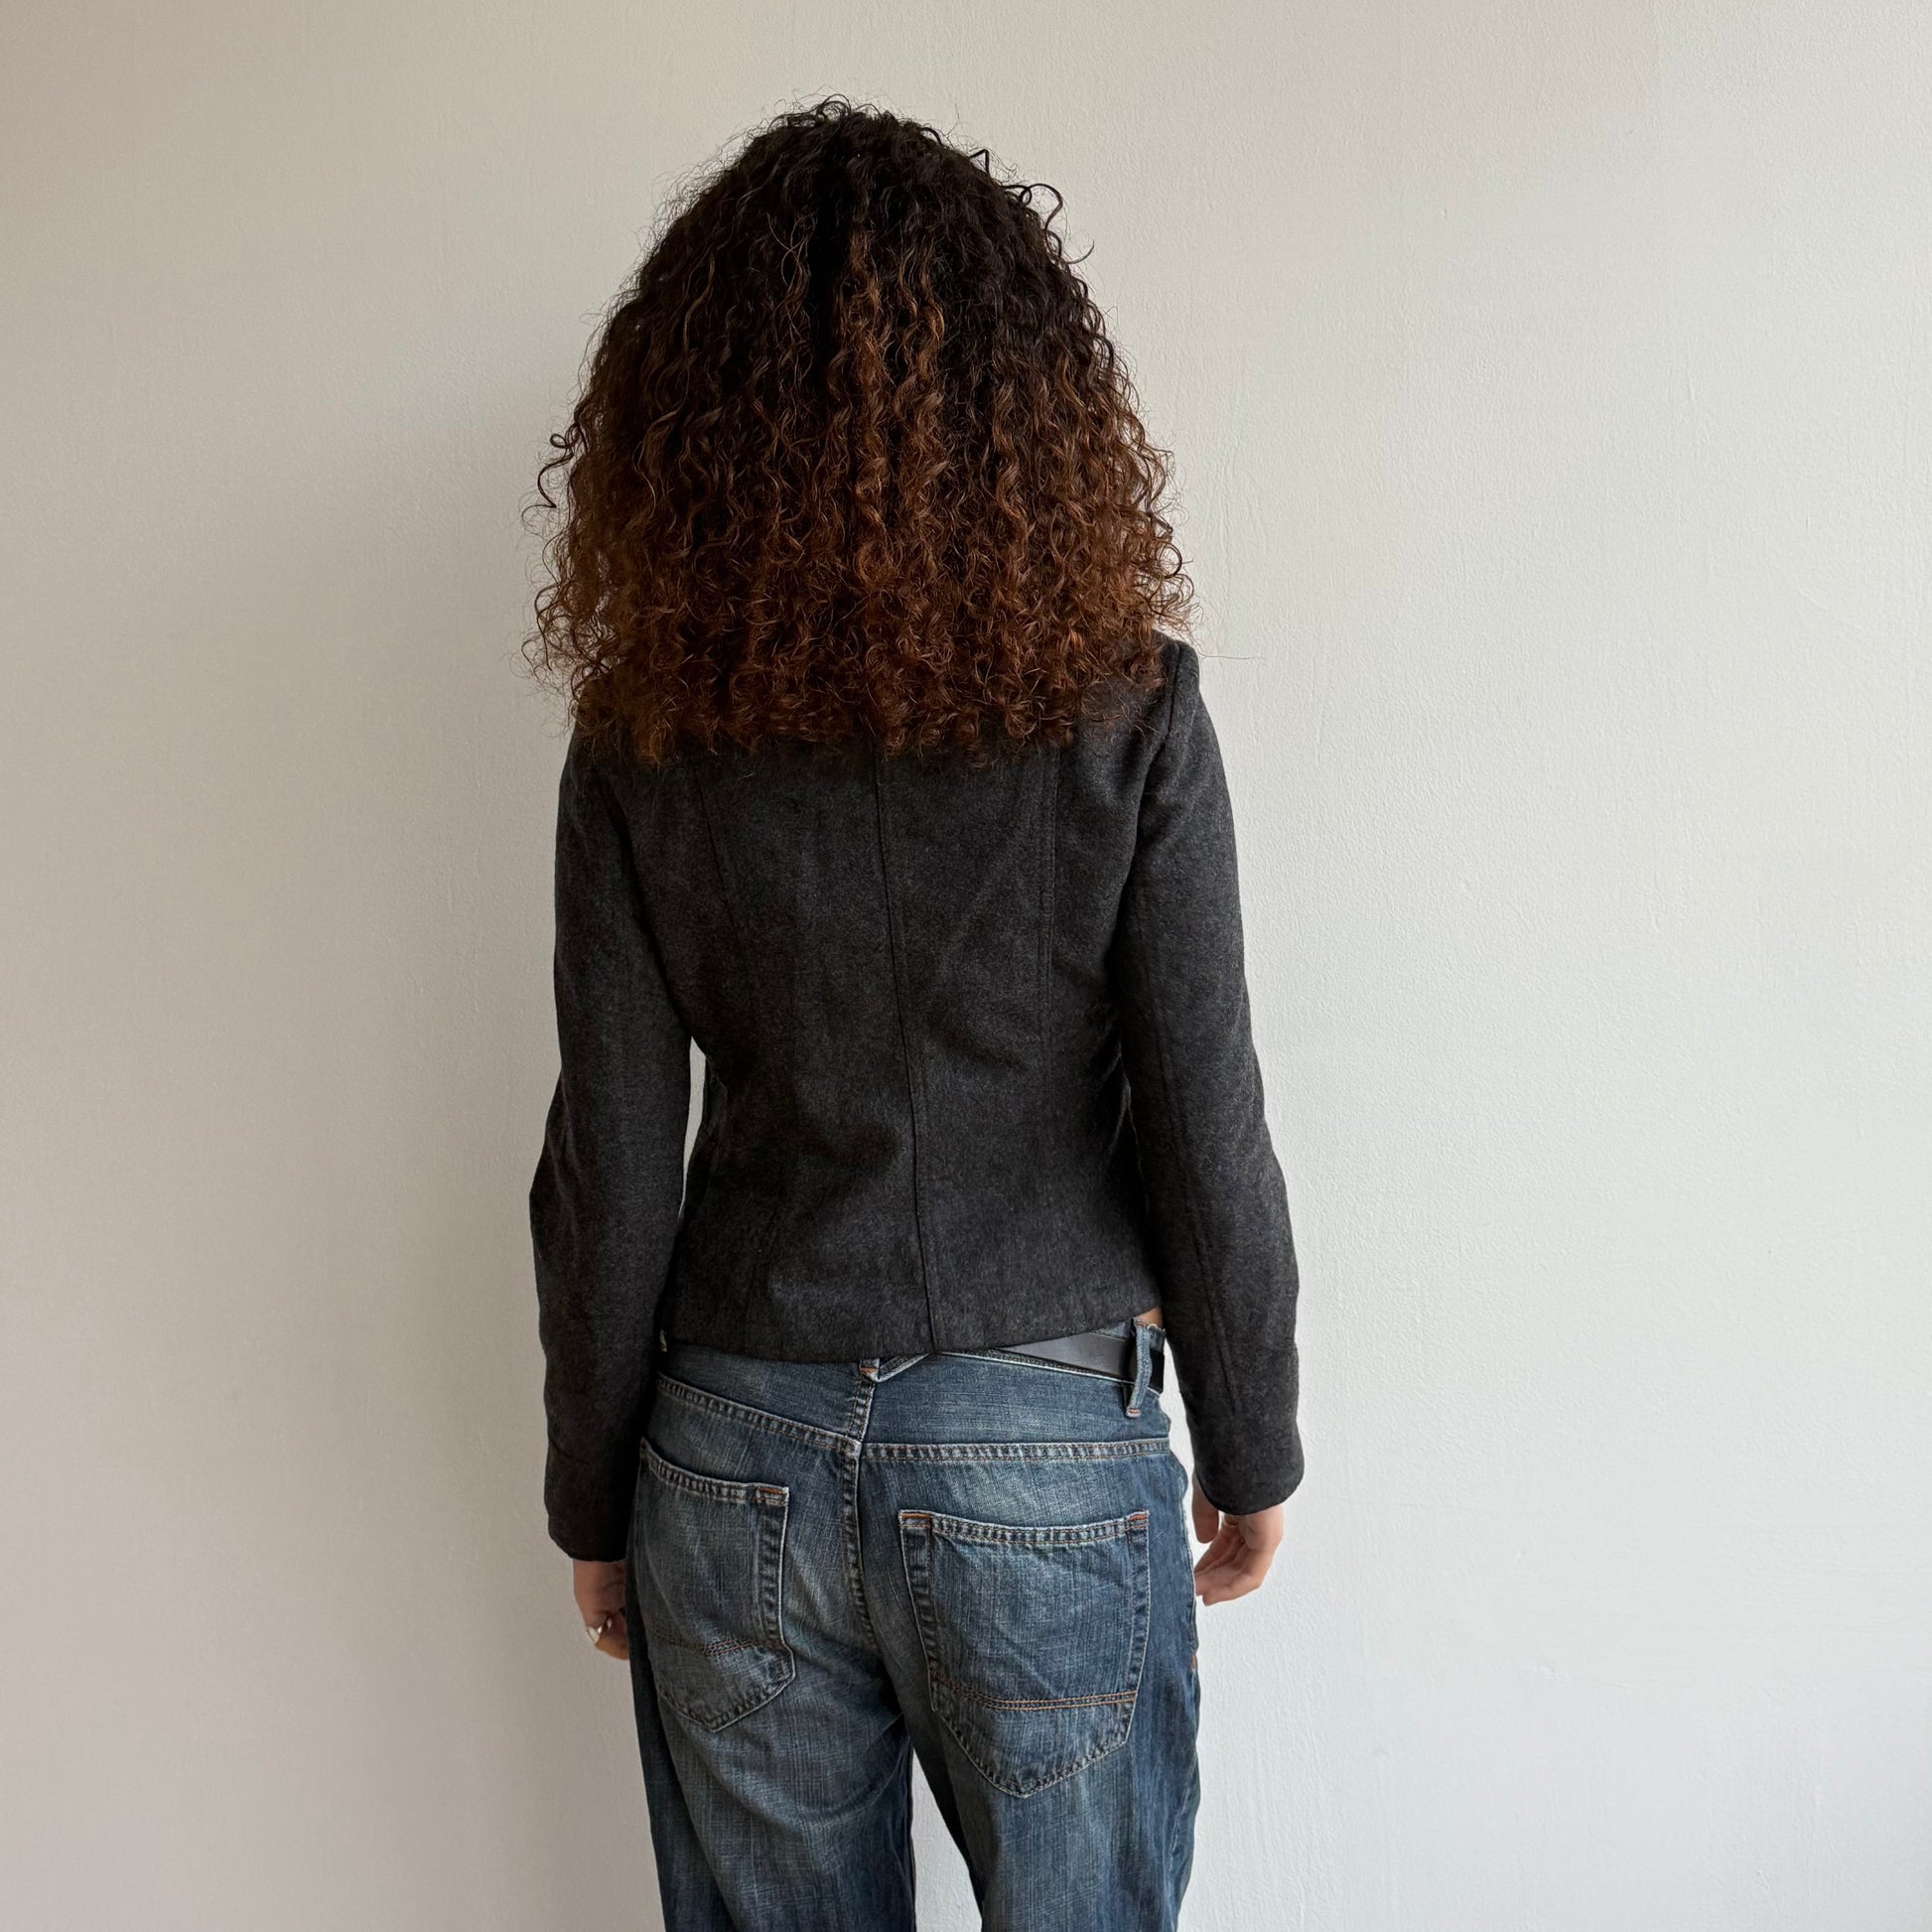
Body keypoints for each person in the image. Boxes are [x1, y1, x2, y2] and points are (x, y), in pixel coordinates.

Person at [524, 97, 1304, 1932]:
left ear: (690, 430)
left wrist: (592, 1493)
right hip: (1048, 1436)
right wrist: (1251, 1438)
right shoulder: (1128, 714)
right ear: (1026, 409)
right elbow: (1205, 1111)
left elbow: (609, 1161)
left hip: (732, 1448)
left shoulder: (643, 740)